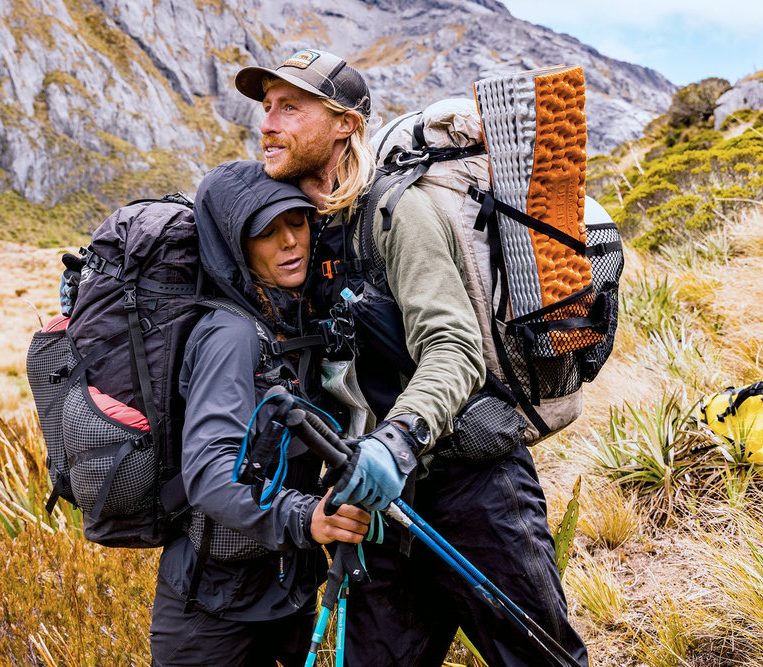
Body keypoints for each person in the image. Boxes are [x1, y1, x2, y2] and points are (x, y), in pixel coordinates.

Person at [233, 49, 589, 666]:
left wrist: (395, 443)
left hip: (472, 490)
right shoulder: (295, 229)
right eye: (266, 108)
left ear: (345, 123)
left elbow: (453, 347)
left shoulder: (399, 213)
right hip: (374, 509)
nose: (267, 124)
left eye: (290, 107)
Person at [149, 160, 371, 667]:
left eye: (296, 223)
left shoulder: (288, 322)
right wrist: (305, 517)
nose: (290, 242)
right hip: (212, 619)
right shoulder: (231, 336)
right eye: (267, 234)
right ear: (236, 249)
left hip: (283, 596)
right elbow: (208, 472)